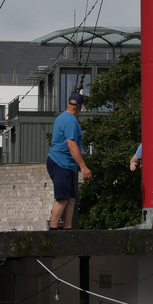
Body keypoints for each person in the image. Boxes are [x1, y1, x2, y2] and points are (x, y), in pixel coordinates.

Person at [47, 92, 91, 229]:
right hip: (61, 162)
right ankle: (53, 232)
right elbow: (71, 144)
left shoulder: (61, 117)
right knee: (62, 198)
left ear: (68, 103)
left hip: (66, 164)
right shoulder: (71, 121)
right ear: (81, 107)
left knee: (71, 198)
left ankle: (68, 229)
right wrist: (83, 166)